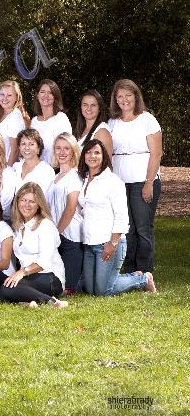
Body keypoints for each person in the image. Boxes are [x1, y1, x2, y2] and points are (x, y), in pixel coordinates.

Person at [78, 139, 156, 296]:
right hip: (89, 243)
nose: (92, 156)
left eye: (97, 152)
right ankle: (132, 276)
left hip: (108, 242)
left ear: (104, 157)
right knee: (90, 289)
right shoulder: (84, 179)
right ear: (83, 156)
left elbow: (122, 217)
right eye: (88, 152)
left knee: (102, 291)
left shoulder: (112, 181)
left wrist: (112, 243)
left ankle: (143, 279)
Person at [107, 79, 162, 273]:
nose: (124, 100)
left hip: (142, 180)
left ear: (136, 96)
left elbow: (156, 154)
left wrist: (149, 182)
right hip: (120, 182)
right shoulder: (112, 123)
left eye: (128, 95)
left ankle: (144, 270)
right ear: (115, 100)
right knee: (126, 228)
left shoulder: (147, 120)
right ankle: (130, 269)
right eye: (120, 96)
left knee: (143, 227)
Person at [0, 183, 68, 308]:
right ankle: (27, 301)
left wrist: (21, 272)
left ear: (38, 205)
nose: (26, 205)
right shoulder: (19, 226)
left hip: (50, 278)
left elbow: (44, 262)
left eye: (32, 201)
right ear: (17, 202)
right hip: (27, 277)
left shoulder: (46, 225)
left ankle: (51, 302)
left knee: (5, 288)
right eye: (23, 200)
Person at [47, 133, 84, 295]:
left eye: (66, 148)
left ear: (73, 151)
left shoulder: (74, 176)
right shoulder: (55, 177)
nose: (62, 152)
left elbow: (70, 209)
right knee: (55, 286)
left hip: (70, 237)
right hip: (58, 236)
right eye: (58, 148)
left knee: (68, 288)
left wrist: (56, 232)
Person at [30, 79, 72, 164]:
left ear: (55, 97)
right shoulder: (34, 122)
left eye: (50, 93)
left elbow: (67, 147)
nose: (46, 95)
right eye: (42, 92)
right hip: (37, 168)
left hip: (56, 168)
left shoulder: (61, 118)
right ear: (37, 95)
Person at [0, 80, 29, 166]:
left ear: (16, 97)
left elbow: (15, 150)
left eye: (9, 95)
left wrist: (7, 170)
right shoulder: (2, 115)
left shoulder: (14, 117)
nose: (5, 98)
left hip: (7, 168)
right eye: (2, 94)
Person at [11, 128, 55, 193]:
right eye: (23, 144)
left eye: (31, 144)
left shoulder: (47, 171)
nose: (27, 147)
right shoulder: (16, 167)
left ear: (38, 148)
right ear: (19, 147)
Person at [74, 89, 113, 154]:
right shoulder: (80, 130)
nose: (89, 108)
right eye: (85, 105)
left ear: (99, 108)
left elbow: (107, 159)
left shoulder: (102, 131)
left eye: (93, 105)